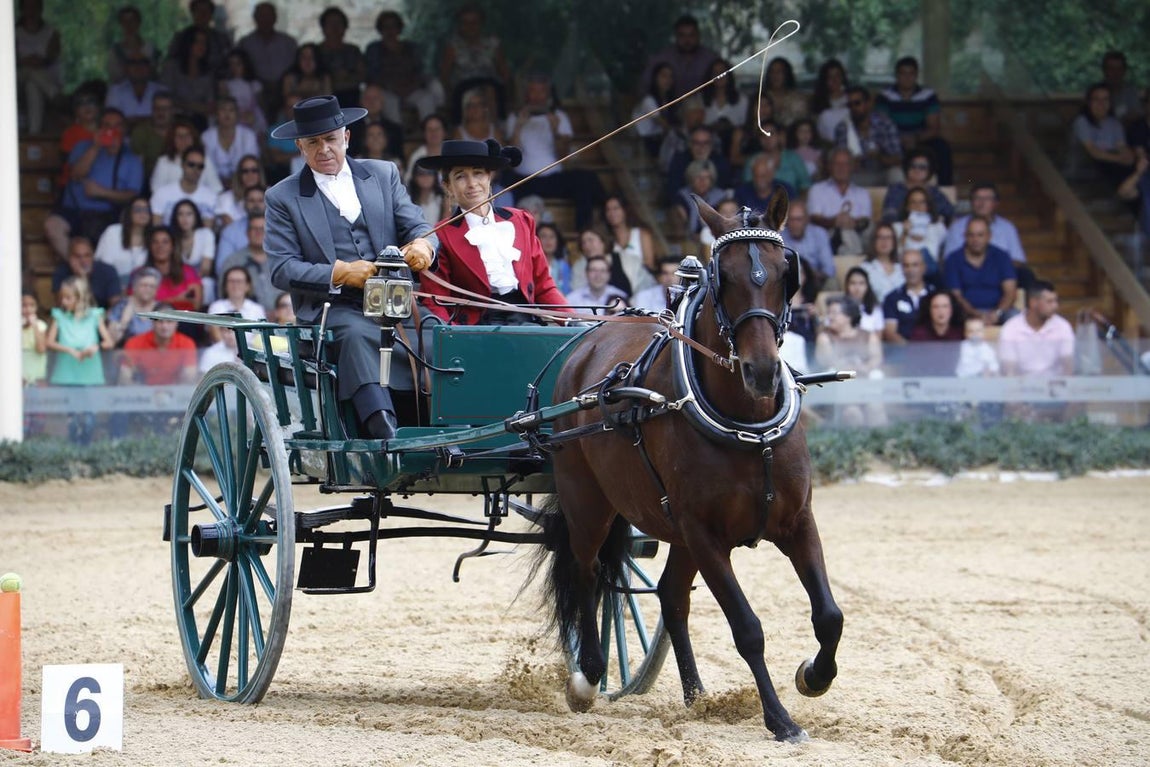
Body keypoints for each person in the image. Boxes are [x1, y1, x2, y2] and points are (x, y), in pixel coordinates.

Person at [264, 95, 437, 441]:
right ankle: (383, 431)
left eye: (330, 139)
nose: (323, 149)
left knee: (440, 335)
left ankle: (446, 426)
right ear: (300, 146)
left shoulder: (383, 173)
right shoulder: (282, 197)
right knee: (357, 336)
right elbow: (282, 269)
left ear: (346, 137)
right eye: (313, 142)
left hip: (397, 305)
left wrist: (424, 246)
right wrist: (339, 272)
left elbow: (418, 226)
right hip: (334, 310)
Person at [416, 138, 570, 325]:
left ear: (489, 178)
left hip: (526, 322)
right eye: (460, 176)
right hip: (476, 331)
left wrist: (572, 320)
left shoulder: (521, 220)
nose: (472, 183)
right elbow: (435, 301)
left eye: (478, 173)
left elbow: (544, 286)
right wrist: (456, 337)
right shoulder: (440, 235)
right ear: (448, 186)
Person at [503, 73, 604, 229]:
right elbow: (511, 158)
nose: (537, 96)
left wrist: (555, 130)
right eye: (533, 91)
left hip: (552, 179)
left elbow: (563, 156)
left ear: (548, 94)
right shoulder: (515, 117)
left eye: (541, 91)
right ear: (526, 94)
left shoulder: (559, 117)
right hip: (524, 180)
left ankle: (584, 230)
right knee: (503, 180)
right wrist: (518, 127)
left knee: (586, 179)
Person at [44, 108, 145, 259]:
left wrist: (102, 192)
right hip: (75, 210)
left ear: (124, 129)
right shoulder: (82, 147)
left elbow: (132, 195)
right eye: (107, 125)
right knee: (52, 226)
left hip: (107, 215)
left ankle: (96, 270)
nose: (112, 130)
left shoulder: (132, 159)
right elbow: (76, 174)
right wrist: (96, 146)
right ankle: (77, 266)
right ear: (99, 128)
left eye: (117, 126)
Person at [876, 56, 953, 186]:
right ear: (896, 75)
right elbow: (880, 125)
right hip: (893, 141)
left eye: (911, 73)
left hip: (920, 140)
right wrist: (899, 139)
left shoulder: (928, 95)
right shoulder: (885, 96)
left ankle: (945, 191)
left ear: (916, 75)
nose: (907, 77)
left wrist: (915, 139)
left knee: (942, 147)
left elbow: (934, 127)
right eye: (903, 73)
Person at [815, 295, 885, 426]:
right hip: (841, 387)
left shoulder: (868, 335)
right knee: (852, 414)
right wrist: (848, 368)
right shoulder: (825, 337)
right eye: (828, 313)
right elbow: (825, 361)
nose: (829, 317)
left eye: (834, 313)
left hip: (866, 383)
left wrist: (866, 367)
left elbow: (877, 358)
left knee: (875, 409)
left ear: (848, 316)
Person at [363, 10, 443, 121]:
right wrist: (393, 87)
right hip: (387, 90)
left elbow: (419, 71)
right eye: (386, 27)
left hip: (411, 89)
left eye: (393, 26)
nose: (390, 30)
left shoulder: (411, 48)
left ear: (399, 28)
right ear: (380, 29)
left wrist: (411, 87)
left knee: (426, 98)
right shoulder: (374, 49)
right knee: (390, 102)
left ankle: (430, 129)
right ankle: (396, 135)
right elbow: (372, 75)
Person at [942, 183, 1029, 276]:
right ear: (971, 202)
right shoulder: (957, 227)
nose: (982, 203)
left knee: (1026, 274)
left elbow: (1018, 261)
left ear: (996, 203)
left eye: (987, 199)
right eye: (977, 198)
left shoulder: (1007, 228)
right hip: (967, 275)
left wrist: (994, 268)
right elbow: (949, 260)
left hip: (1001, 275)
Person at [944, 215, 1017, 326]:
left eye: (980, 235)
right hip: (965, 313)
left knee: (1015, 317)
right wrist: (976, 314)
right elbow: (956, 296)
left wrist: (997, 313)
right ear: (965, 236)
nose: (976, 239)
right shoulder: (953, 259)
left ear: (989, 236)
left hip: (998, 312)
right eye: (971, 235)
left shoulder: (1002, 256)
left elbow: (1010, 292)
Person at [46, 275, 113, 386]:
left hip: (90, 374)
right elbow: (49, 342)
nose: (64, 302)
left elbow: (109, 342)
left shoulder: (95, 315)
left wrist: (95, 347)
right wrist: (70, 350)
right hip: (65, 374)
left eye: (68, 298)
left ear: (80, 297)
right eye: (62, 297)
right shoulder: (59, 316)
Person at [998, 281, 1075, 378]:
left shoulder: (1063, 326)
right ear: (1033, 302)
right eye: (1049, 302)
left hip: (1055, 388)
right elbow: (1009, 371)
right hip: (1020, 388)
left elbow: (1068, 367)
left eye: (1056, 301)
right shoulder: (1011, 328)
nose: (1055, 306)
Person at [1067, 83, 1135, 186]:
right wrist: (1119, 159)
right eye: (1096, 99)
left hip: (1113, 163)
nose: (1101, 103)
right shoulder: (1082, 121)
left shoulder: (1114, 123)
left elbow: (1121, 146)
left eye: (1105, 99)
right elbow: (1093, 152)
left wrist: (1129, 157)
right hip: (1089, 165)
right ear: (1089, 102)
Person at [807, 147, 873, 254]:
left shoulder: (862, 193)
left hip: (858, 236)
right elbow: (814, 219)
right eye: (837, 164)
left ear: (852, 167)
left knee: (853, 232)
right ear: (830, 167)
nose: (841, 168)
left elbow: (866, 222)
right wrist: (834, 222)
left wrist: (852, 222)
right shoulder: (817, 190)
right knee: (845, 232)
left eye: (845, 164)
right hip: (828, 238)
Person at [236, 1, 298, 115]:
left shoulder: (289, 42)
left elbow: (296, 68)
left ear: (275, 18)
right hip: (256, 91)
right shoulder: (246, 43)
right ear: (255, 18)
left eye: (268, 16)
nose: (265, 19)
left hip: (284, 90)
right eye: (261, 16)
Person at [834, 85, 903, 187]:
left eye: (857, 103)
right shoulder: (843, 127)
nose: (853, 108)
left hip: (881, 172)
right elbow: (840, 160)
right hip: (857, 175)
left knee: (896, 174)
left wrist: (879, 157)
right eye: (850, 105)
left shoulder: (885, 124)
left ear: (868, 103)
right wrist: (852, 161)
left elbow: (898, 159)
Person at [640, 14, 718, 99]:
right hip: (667, 109)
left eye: (691, 35)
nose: (687, 40)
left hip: (702, 109)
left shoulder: (710, 59)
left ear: (698, 36)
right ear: (676, 36)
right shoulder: (663, 58)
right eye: (682, 35)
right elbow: (645, 85)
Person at [15, 0, 61, 136]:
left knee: (32, 86)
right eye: (28, 6)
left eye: (34, 6)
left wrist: (38, 61)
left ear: (40, 9)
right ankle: (55, 95)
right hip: (18, 81)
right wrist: (26, 61)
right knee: (29, 72)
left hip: (43, 78)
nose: (31, 10)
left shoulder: (52, 32)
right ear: (22, 9)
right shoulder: (12, 32)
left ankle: (34, 134)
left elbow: (52, 56)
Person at [119, 306, 198, 385]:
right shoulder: (134, 343)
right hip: (143, 392)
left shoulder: (187, 343)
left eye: (169, 321)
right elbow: (125, 376)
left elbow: (189, 376)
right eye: (160, 321)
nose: (164, 326)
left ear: (177, 323)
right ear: (152, 322)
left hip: (176, 392)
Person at [880, 148, 956, 224]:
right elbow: (889, 216)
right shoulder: (896, 190)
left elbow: (950, 213)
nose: (917, 170)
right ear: (906, 168)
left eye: (922, 167)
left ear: (930, 170)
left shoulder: (934, 192)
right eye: (913, 166)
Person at [161, 27, 218, 129]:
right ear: (188, 44)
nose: (201, 46)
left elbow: (210, 105)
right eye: (197, 42)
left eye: (204, 43)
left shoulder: (208, 72)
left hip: (200, 121)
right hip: (174, 120)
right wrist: (193, 106)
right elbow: (165, 98)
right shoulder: (172, 67)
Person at [220, 213, 277, 311]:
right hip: (245, 319)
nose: (258, 233)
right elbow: (223, 295)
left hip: (282, 318)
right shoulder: (233, 261)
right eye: (254, 229)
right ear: (247, 233)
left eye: (262, 229)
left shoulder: (280, 259)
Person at [150, 117, 222, 193]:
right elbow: (156, 191)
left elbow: (216, 189)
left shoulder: (205, 160)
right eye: (179, 136)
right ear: (172, 140)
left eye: (187, 136)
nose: (184, 139)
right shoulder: (163, 162)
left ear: (193, 138)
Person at [603, 196, 657, 296]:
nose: (611, 213)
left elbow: (650, 263)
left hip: (642, 284)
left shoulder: (641, 234)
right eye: (608, 210)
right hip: (617, 287)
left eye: (615, 208)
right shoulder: (607, 240)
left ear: (625, 210)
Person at [202, 97, 261, 188]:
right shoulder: (207, 137)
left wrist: (235, 182)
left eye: (231, 110)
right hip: (213, 184)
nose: (227, 114)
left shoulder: (248, 135)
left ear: (237, 114)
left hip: (244, 183)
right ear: (216, 114)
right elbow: (206, 167)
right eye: (223, 110)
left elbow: (251, 163)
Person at [150, 146, 217, 226]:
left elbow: (207, 232)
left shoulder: (211, 197)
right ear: (182, 165)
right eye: (191, 165)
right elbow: (156, 228)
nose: (195, 170)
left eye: (200, 166)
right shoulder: (162, 194)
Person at [141, 224, 202, 311]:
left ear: (173, 246)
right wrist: (178, 299)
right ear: (150, 246)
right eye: (155, 242)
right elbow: (138, 305)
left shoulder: (188, 272)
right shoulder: (140, 274)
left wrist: (159, 302)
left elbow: (196, 304)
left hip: (184, 321)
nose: (160, 246)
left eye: (165, 242)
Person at [741, 118, 810, 194]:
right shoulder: (752, 160)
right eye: (763, 135)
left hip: (791, 202)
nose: (767, 138)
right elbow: (747, 188)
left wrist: (799, 203)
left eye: (771, 133)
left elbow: (805, 185)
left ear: (779, 136)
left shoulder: (793, 158)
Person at [52, 236, 122, 310]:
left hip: (103, 317)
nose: (83, 261)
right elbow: (61, 304)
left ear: (93, 256)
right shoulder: (61, 272)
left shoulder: (108, 271)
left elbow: (115, 305)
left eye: (87, 256)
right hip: (71, 318)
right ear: (70, 257)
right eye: (77, 256)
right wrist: (79, 277)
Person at [882, 248, 934, 346]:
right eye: (906, 266)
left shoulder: (935, 295)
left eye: (915, 265)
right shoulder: (892, 298)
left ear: (924, 267)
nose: (910, 270)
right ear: (902, 269)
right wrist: (911, 351)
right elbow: (890, 333)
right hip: (902, 353)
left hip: (933, 351)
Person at [96, 195, 151, 288]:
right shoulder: (113, 232)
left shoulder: (153, 238)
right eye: (138, 209)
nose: (143, 213)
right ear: (129, 213)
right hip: (110, 287)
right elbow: (102, 264)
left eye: (146, 210)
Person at [781, 199, 834, 292]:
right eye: (791, 219)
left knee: (832, 282)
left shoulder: (820, 234)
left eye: (799, 219)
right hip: (785, 282)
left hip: (814, 280)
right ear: (786, 221)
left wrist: (811, 275)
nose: (795, 224)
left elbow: (829, 269)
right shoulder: (779, 236)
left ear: (806, 220)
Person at [906, 291, 964, 376]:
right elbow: (913, 364)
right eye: (935, 307)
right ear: (929, 310)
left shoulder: (960, 332)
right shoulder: (919, 334)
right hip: (926, 380)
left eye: (945, 306)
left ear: (951, 309)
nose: (941, 311)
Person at [316, 7, 364, 108]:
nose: (335, 27)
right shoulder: (316, 52)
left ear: (345, 26)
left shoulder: (353, 50)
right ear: (323, 27)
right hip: (323, 98)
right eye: (330, 23)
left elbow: (363, 75)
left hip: (352, 97)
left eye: (338, 23)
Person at [666, 124, 732, 199]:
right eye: (696, 143)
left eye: (706, 143)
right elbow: (673, 190)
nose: (701, 147)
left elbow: (723, 189)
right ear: (690, 144)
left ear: (711, 145)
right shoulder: (679, 161)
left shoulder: (721, 163)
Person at [701, 58, 748, 162]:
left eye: (722, 72)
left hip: (733, 149)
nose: (719, 76)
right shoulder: (701, 100)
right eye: (715, 73)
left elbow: (745, 127)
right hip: (706, 151)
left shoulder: (742, 100)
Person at [891, 186, 947, 272]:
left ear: (928, 206)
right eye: (913, 202)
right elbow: (895, 257)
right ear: (907, 207)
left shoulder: (938, 227)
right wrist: (904, 233)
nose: (918, 206)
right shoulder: (896, 227)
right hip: (905, 272)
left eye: (922, 202)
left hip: (931, 274)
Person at [671, 159, 730, 240]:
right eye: (698, 177)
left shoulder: (721, 197)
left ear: (712, 180)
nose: (702, 181)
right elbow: (679, 229)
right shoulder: (682, 196)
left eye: (707, 177)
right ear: (691, 179)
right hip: (688, 242)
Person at [168, 198, 216, 297]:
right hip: (176, 279)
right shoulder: (171, 236)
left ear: (195, 216)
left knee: (207, 283)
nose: (185, 219)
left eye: (189, 214)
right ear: (175, 217)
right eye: (180, 214)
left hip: (199, 279)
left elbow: (205, 268)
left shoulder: (206, 234)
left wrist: (189, 285)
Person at [104, 55, 167, 128]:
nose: (138, 67)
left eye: (143, 62)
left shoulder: (162, 90)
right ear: (126, 68)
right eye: (133, 63)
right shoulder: (115, 91)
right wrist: (150, 120)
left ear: (150, 67)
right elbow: (111, 122)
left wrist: (130, 121)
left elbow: (165, 121)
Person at [107, 266, 160, 346]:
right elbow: (112, 340)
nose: (148, 289)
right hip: (127, 354)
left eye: (152, 286)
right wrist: (123, 322)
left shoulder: (161, 308)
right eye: (144, 285)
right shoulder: (121, 306)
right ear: (134, 287)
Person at [633, 63, 678, 159]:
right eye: (664, 76)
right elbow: (661, 122)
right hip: (646, 142)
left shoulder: (666, 100)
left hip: (659, 140)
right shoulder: (648, 100)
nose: (668, 80)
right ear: (655, 78)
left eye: (670, 77)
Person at [218, 49, 268, 134]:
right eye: (231, 64)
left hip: (251, 118)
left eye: (238, 64)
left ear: (245, 64)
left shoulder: (254, 84)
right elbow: (222, 103)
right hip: (232, 117)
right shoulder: (225, 84)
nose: (234, 68)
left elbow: (260, 105)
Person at [128, 91, 175, 181]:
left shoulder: (181, 130)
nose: (160, 112)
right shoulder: (141, 132)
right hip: (148, 181)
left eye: (165, 109)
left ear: (173, 111)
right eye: (157, 108)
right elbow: (137, 166)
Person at [107, 5, 157, 85]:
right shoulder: (115, 52)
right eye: (124, 22)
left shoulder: (149, 49)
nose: (128, 25)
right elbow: (115, 77)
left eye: (132, 21)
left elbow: (153, 74)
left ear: (139, 23)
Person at [216, 184, 265, 267]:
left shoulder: (279, 229)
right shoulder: (230, 231)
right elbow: (222, 266)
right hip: (241, 277)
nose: (256, 205)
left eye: (260, 200)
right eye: (251, 201)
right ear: (244, 204)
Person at [859, 223, 904, 303]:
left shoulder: (903, 267)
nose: (884, 241)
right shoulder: (864, 268)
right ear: (874, 241)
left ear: (894, 242)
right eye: (880, 237)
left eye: (888, 238)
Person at [215, 156, 265, 229]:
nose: (250, 175)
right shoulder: (226, 198)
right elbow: (230, 228)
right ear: (239, 174)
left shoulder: (271, 194)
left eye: (254, 170)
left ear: (260, 173)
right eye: (245, 171)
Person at [811, 59, 850, 144]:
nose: (834, 80)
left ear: (843, 77)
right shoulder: (818, 102)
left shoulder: (852, 98)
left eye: (837, 75)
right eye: (830, 77)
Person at [764, 57, 809, 128]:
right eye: (772, 72)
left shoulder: (798, 100)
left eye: (779, 71)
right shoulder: (761, 99)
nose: (775, 75)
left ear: (787, 74)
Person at [404, 113, 448, 185]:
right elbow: (408, 181)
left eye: (437, 129)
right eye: (429, 129)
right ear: (424, 133)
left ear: (444, 132)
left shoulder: (452, 153)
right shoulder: (417, 156)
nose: (433, 133)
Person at [1101, 50, 1143, 125]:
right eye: (1111, 69)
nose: (1115, 73)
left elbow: (1137, 113)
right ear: (1104, 70)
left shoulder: (1130, 91)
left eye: (1119, 69)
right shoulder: (1097, 92)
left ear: (1124, 71)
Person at [843, 266, 884, 335]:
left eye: (861, 283)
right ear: (847, 286)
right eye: (853, 283)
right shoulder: (838, 307)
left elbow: (878, 336)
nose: (857, 288)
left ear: (867, 286)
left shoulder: (875, 309)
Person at [22, 291, 49, 386]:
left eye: (32, 305)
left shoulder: (41, 326)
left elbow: (41, 349)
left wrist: (35, 327)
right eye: (24, 305)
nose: (28, 309)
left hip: (37, 371)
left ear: (36, 307)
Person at [536, 222, 571, 294]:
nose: (548, 240)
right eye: (544, 236)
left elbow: (566, 292)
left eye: (552, 237)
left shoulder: (564, 266)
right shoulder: (531, 265)